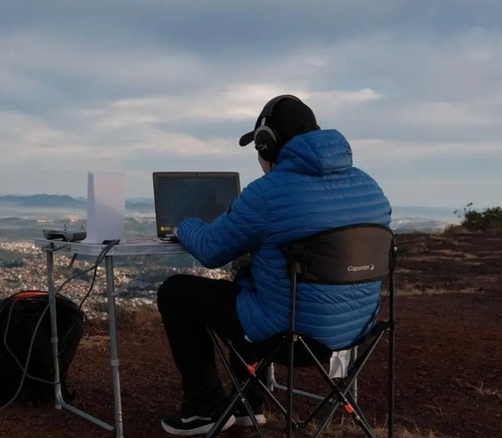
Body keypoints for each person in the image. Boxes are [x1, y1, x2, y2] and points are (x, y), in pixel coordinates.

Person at [157, 94, 391, 436]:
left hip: (289, 337)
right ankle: (248, 404)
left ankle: (203, 409)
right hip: (355, 330)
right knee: (248, 281)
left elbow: (211, 250)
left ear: (267, 144)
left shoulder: (268, 192)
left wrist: (184, 224)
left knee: (176, 292)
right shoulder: (370, 187)